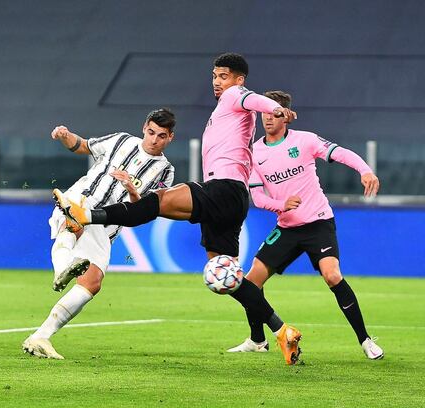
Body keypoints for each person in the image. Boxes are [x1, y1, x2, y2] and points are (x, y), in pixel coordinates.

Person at [54, 53, 304, 365]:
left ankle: (88, 215)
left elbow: (255, 100)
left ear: (238, 80)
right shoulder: (230, 111)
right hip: (233, 200)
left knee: (156, 202)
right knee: (224, 275)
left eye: (223, 76)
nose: (217, 81)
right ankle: (278, 332)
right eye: (214, 75)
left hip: (223, 189)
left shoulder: (234, 97)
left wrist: (276, 108)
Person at [227, 90, 384, 360]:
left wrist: (365, 170)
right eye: (264, 113)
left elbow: (340, 153)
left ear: (285, 116)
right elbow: (257, 196)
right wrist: (281, 205)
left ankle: (366, 340)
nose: (267, 118)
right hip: (286, 227)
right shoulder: (255, 152)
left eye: (274, 113)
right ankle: (257, 340)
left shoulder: (306, 140)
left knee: (332, 275)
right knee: (251, 281)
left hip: (318, 223)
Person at [22, 109, 176, 359]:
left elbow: (144, 211)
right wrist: (65, 135)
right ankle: (62, 266)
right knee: (73, 221)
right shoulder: (122, 140)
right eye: (151, 132)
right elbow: (84, 146)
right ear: (143, 128)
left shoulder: (165, 171)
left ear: (170, 138)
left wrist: (131, 188)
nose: (154, 139)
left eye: (161, 135)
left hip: (107, 225)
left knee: (92, 283)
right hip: (82, 198)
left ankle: (40, 337)